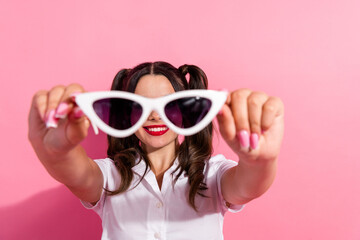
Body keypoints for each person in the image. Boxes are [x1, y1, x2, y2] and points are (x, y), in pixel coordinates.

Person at [28, 61, 284, 240]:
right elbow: (76, 173)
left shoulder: (213, 174)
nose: (154, 117)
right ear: (127, 115)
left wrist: (260, 161)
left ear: (185, 111)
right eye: (140, 106)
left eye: (168, 105)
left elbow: (249, 184)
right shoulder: (109, 176)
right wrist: (56, 153)